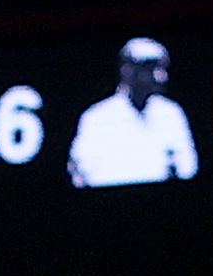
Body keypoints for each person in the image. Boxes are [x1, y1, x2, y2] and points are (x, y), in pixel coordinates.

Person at [67, 34, 200, 185]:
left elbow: (188, 169)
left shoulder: (172, 113)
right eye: (150, 68)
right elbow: (79, 172)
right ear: (127, 70)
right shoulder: (96, 117)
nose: (160, 77)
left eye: (161, 69)